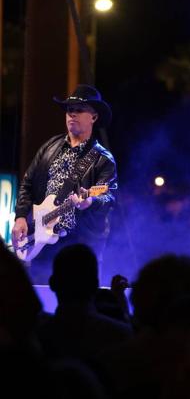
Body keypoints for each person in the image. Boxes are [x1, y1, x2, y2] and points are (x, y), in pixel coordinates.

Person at [11, 84, 117, 283]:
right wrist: (21, 217)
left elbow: (109, 196)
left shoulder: (103, 159)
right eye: (69, 110)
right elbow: (27, 184)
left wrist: (90, 202)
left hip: (78, 247)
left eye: (79, 110)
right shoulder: (50, 146)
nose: (72, 115)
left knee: (75, 302)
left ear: (93, 117)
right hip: (42, 242)